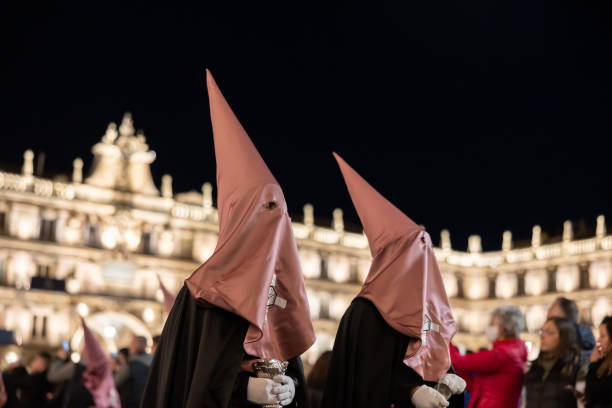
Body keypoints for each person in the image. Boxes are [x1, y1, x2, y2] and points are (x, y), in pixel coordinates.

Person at [141, 70, 315, 408]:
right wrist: (240, 390)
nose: (277, 221)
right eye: (265, 208)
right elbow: (184, 382)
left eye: (279, 210)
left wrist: (290, 389)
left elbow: (289, 364)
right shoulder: (201, 294)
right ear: (241, 218)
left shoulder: (280, 291)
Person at [321, 154, 465, 408]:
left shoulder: (427, 316)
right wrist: (408, 392)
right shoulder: (365, 312)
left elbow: (433, 369)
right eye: (417, 256)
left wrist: (447, 386)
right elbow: (360, 383)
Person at [451, 306, 527, 408]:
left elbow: (459, 361)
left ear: (502, 328)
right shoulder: (514, 350)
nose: (488, 327)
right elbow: (477, 383)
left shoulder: (504, 354)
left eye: (491, 323)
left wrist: (443, 338)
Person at [524, 317, 585, 408]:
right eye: (542, 332)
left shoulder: (573, 367)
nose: (542, 336)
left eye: (549, 333)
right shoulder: (533, 367)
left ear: (563, 337)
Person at [548, 297, 596, 362]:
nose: (549, 310)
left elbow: (587, 357)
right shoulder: (551, 330)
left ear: (563, 311)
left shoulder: (583, 332)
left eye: (552, 306)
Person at [115, 335, 152, 408]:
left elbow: (116, 382)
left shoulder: (130, 364)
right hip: (149, 401)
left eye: (131, 344)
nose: (130, 347)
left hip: (132, 403)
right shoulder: (154, 361)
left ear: (135, 346)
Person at [585, 316, 612, 408]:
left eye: (602, 336)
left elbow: (595, 396)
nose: (598, 340)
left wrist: (593, 364)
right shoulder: (604, 364)